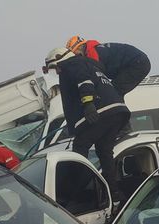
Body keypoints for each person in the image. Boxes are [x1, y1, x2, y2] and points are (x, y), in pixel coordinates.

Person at [44, 47, 130, 207]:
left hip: (102, 113)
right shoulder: (90, 64)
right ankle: (114, 192)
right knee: (104, 152)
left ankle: (74, 195)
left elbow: (84, 81)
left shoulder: (72, 64)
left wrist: (88, 103)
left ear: (58, 59)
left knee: (80, 148)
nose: (55, 73)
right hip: (117, 113)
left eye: (53, 68)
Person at [66, 36, 151, 97]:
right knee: (113, 91)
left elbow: (96, 74)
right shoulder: (95, 49)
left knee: (113, 93)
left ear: (79, 48)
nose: (75, 57)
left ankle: (120, 119)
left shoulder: (92, 53)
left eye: (74, 53)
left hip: (137, 64)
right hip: (137, 62)